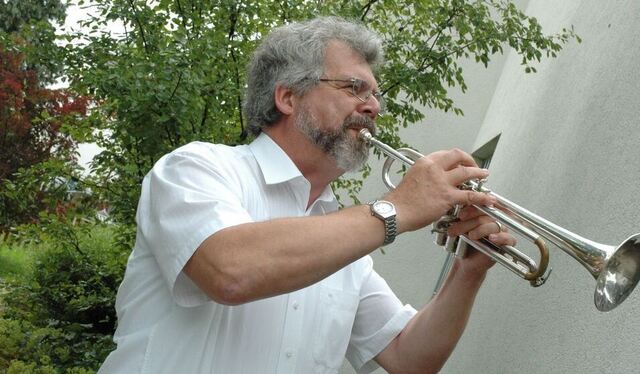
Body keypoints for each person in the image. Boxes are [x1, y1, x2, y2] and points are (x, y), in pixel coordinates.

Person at [99, 16, 516, 374]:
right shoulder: (195, 168)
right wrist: (398, 208)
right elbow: (230, 271)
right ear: (287, 97)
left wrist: (467, 272)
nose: (373, 107)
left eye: (374, 94)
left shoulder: (345, 241)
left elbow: (410, 358)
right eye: (354, 88)